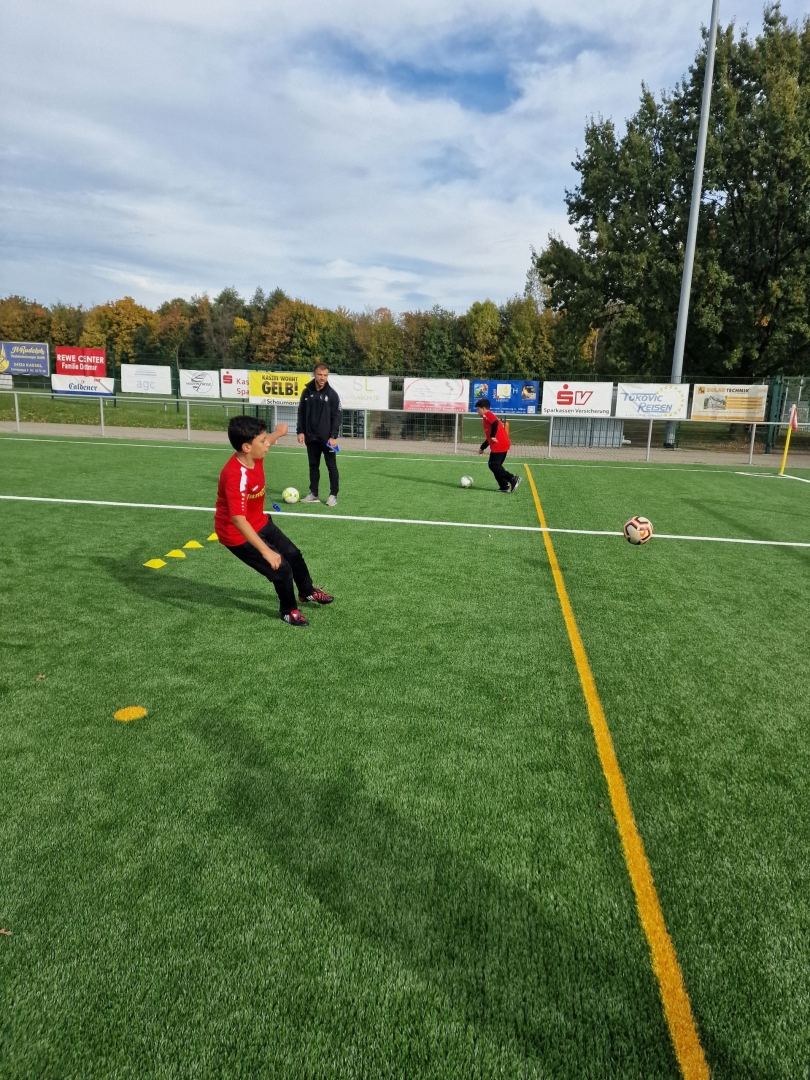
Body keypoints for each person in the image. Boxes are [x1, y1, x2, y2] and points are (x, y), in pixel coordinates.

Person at [215, 414, 334, 626]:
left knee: (293, 555)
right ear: (246, 447)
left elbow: (266, 441)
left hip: (259, 521)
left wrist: (278, 432)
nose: (267, 444)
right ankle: (288, 611)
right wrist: (265, 551)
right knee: (282, 569)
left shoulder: (254, 455)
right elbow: (238, 520)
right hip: (236, 534)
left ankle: (306, 592)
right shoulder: (236, 476)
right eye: (262, 441)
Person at [297, 362, 341, 506]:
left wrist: (333, 436)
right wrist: (300, 431)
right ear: (314, 374)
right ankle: (314, 494)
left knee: (331, 467)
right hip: (311, 437)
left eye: (325, 375)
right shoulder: (306, 392)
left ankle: (333, 495)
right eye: (320, 375)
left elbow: (337, 416)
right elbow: (301, 413)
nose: (322, 378)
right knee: (313, 466)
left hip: (327, 439)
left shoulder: (332, 394)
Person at [476, 398, 521, 493]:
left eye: (478, 409)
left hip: (499, 444)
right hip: (502, 442)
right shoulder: (487, 418)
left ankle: (513, 478)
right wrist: (482, 447)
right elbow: (489, 437)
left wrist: (493, 436)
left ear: (483, 408)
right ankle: (503, 486)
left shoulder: (487, 415)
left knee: (493, 465)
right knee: (496, 466)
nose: (477, 411)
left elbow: (495, 423)